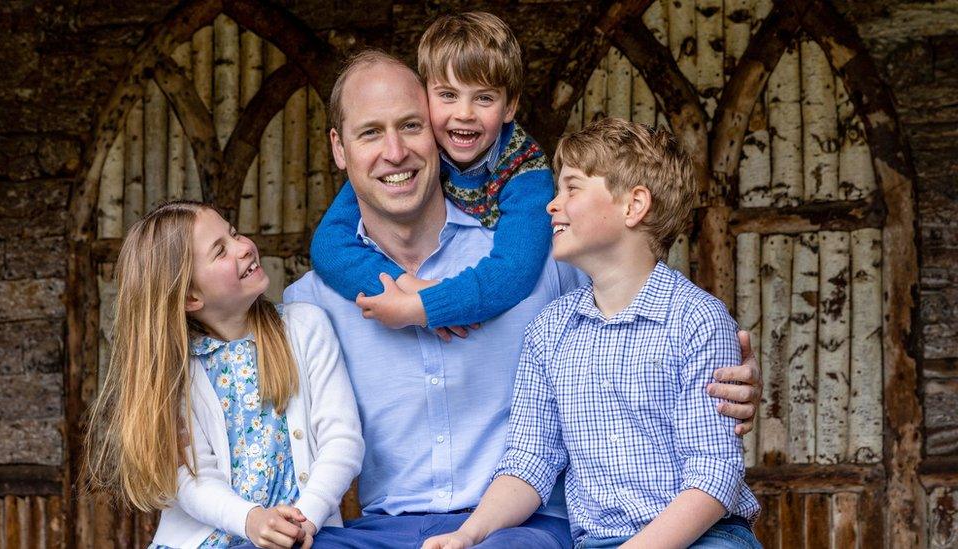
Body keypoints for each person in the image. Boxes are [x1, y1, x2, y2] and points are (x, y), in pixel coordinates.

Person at [284, 52, 762, 549]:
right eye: (369, 134)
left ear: (439, 134)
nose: (395, 151)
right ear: (339, 148)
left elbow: (640, 317)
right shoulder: (311, 305)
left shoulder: (540, 261)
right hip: (383, 530)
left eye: (410, 126)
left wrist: (725, 383)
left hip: (525, 526)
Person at [422, 119, 761, 549]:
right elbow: (531, 461)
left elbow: (715, 473)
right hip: (601, 539)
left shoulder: (697, 321)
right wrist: (469, 533)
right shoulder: (549, 330)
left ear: (633, 205)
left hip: (706, 537)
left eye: (572, 188)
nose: (552, 204)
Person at [84, 201, 364, 549]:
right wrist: (251, 520)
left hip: (303, 535)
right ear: (190, 297)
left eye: (234, 234)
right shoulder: (175, 373)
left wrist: (304, 519)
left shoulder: (305, 327)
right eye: (221, 251)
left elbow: (342, 439)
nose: (245, 246)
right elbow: (190, 478)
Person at [310, 12, 553, 334]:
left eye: (483, 98)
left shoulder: (527, 172)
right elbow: (328, 245)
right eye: (448, 95)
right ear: (425, 97)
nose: (464, 114)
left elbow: (515, 272)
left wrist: (426, 307)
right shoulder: (419, 150)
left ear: (509, 107)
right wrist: (405, 285)